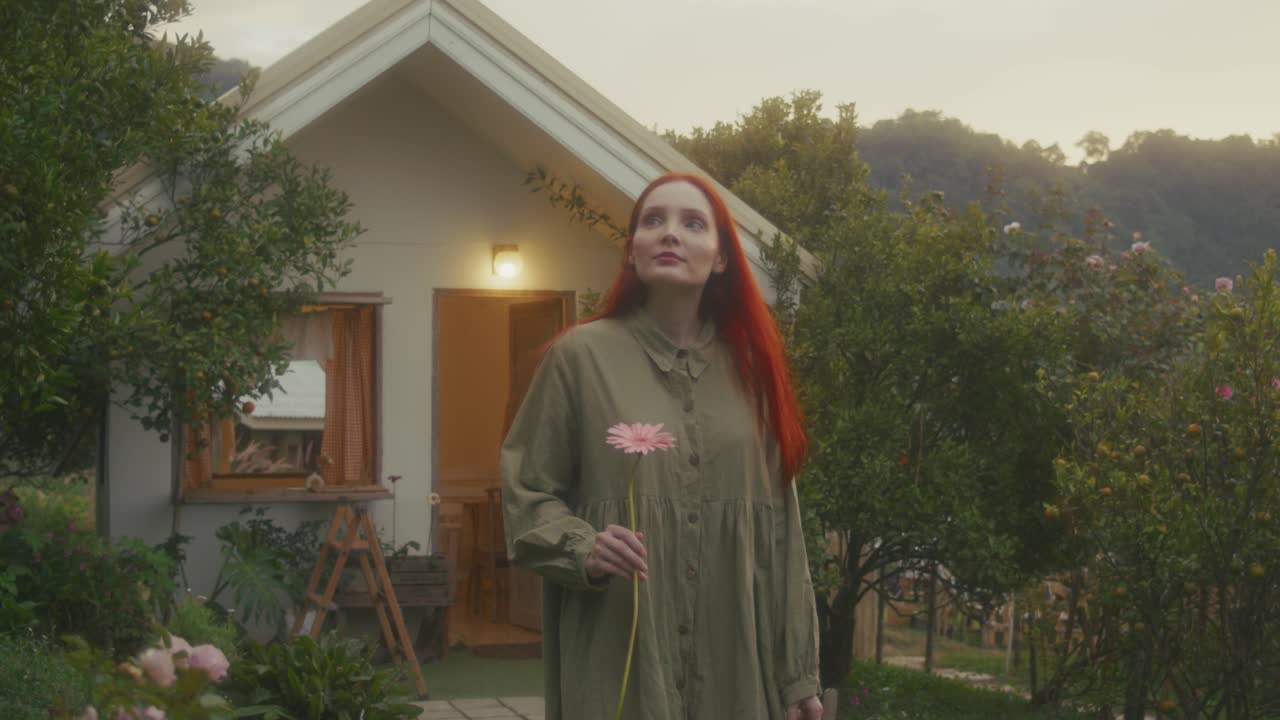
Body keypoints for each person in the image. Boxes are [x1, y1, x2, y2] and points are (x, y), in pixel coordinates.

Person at [501, 172, 823, 719]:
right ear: (632, 252)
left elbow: (780, 536)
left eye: (692, 223)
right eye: (653, 221)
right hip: (618, 655)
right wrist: (585, 546)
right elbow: (526, 493)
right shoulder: (578, 358)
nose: (669, 233)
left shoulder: (754, 372)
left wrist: (798, 677)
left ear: (720, 258)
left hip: (736, 668)